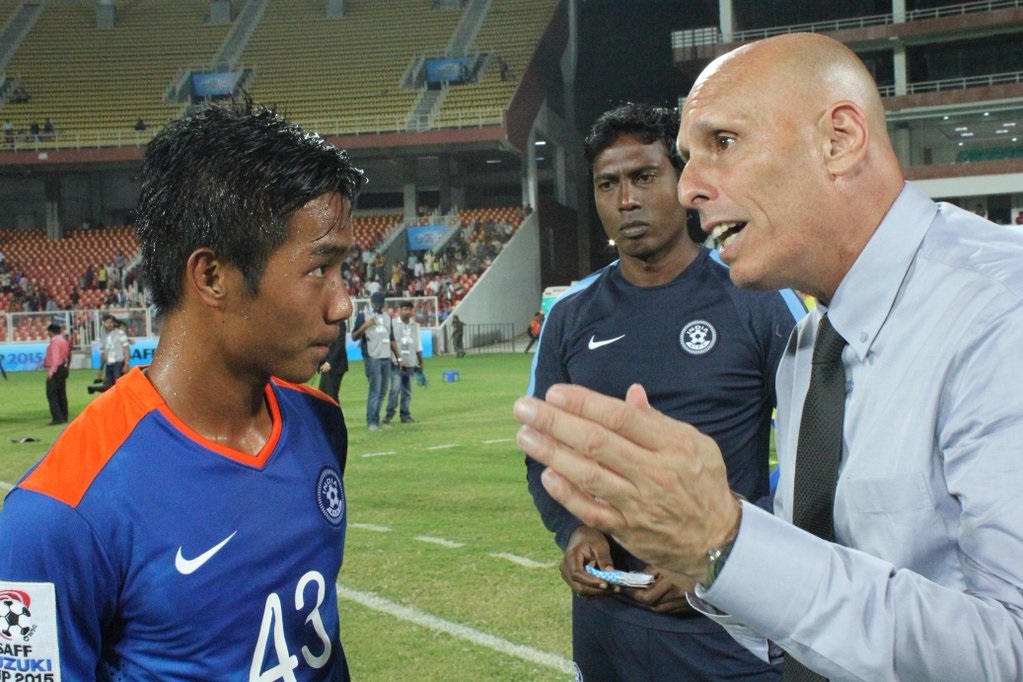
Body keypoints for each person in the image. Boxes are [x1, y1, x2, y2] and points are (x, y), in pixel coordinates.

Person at [514, 32, 1023, 681]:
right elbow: (828, 604)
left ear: (838, 140)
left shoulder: (997, 314)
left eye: (721, 144)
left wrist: (726, 542)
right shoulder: (813, 348)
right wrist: (716, 565)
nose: (691, 188)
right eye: (686, 159)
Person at [0, 100, 364, 679]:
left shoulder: (320, 423)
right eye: (321, 268)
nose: (344, 302)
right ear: (213, 277)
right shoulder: (57, 515)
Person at [525, 102, 802, 682]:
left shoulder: (755, 299)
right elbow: (544, 453)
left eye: (644, 177)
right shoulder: (572, 316)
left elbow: (819, 461)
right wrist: (576, 529)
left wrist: (720, 560)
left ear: (682, 183)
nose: (626, 199)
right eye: (608, 184)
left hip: (725, 625)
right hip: (606, 622)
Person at [351, 291, 394, 431]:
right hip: (372, 356)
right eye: (378, 304)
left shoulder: (387, 317)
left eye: (382, 304)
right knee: (375, 389)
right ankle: (371, 422)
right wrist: (365, 325)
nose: (380, 307)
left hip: (386, 356)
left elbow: (391, 338)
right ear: (372, 303)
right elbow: (354, 336)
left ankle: (376, 418)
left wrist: (398, 357)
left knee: (383, 390)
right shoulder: (363, 316)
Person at [384, 299, 423, 424]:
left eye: (409, 310)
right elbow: (389, 342)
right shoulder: (393, 324)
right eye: (405, 309)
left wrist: (420, 361)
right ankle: (389, 414)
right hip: (396, 362)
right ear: (399, 310)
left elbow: (418, 345)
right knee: (395, 389)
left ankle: (405, 415)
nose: (407, 312)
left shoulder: (414, 326)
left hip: (410, 362)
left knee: (407, 390)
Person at [92, 313, 129, 393]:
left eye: (111, 322)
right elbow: (103, 353)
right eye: (108, 323)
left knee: (119, 385)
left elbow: (126, 349)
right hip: (109, 365)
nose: (110, 325)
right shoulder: (104, 337)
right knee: (108, 388)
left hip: (118, 363)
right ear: (103, 323)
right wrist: (101, 369)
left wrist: (126, 364)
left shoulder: (120, 333)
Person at [43, 322, 71, 425]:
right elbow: (64, 355)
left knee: (52, 394)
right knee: (61, 394)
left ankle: (57, 417)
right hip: (63, 367)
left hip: (56, 369)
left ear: (51, 332)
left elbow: (55, 358)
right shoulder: (63, 340)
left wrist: (51, 371)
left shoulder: (55, 341)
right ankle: (64, 416)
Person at [319, 319, 349, 402]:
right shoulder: (325, 322)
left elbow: (340, 344)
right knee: (322, 394)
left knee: (331, 397)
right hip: (326, 364)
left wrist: (329, 363)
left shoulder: (339, 323)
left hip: (336, 365)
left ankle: (334, 414)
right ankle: (327, 415)